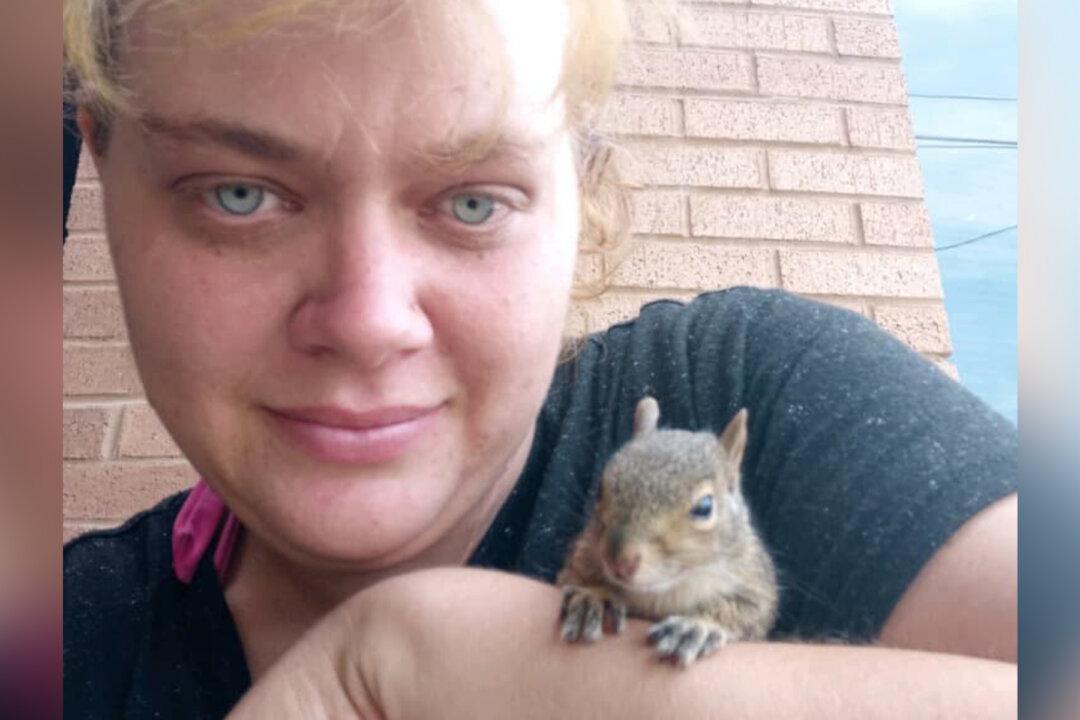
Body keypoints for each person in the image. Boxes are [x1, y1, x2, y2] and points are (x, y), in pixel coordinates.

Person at [62, 0, 1017, 717]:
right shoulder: (66, 644)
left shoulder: (754, 392)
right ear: (102, 167)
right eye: (236, 194)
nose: (366, 321)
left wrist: (401, 661)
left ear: (580, 197)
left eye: (474, 201)